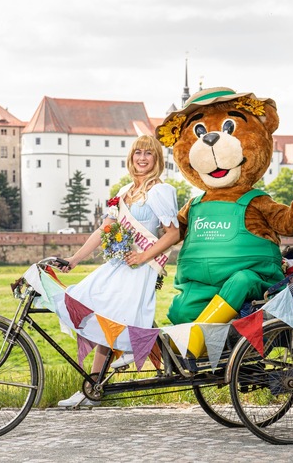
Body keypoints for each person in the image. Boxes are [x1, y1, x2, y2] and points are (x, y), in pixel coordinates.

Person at [57, 134, 180, 407]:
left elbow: (172, 234)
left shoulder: (161, 191)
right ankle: (94, 387)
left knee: (114, 319)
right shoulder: (124, 192)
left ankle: (125, 349)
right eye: (138, 153)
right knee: (94, 310)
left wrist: (143, 256)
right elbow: (104, 230)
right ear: (131, 157)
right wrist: (74, 259)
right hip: (118, 265)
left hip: (141, 266)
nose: (142, 158)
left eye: (149, 154)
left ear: (157, 159)